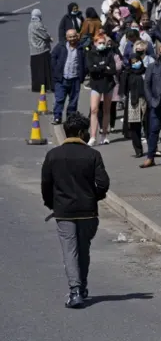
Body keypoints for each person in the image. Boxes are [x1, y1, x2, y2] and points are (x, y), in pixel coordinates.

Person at [41, 112, 110, 308]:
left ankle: (75, 290)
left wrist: (52, 204)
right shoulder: (93, 155)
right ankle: (83, 285)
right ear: (81, 132)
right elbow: (103, 183)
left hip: (64, 212)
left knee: (70, 250)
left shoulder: (53, 155)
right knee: (83, 249)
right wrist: (94, 197)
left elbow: (46, 184)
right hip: (88, 211)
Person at [86, 34, 116, 146]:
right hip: (96, 84)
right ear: (95, 43)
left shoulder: (109, 53)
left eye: (104, 43)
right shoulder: (90, 53)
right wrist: (104, 66)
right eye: (100, 43)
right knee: (94, 109)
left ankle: (104, 135)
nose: (102, 45)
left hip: (108, 84)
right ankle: (93, 136)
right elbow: (91, 69)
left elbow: (112, 69)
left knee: (107, 109)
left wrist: (99, 67)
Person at [51, 29, 86, 125]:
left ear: (77, 37)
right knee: (59, 99)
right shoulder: (61, 46)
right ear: (67, 38)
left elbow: (85, 62)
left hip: (75, 79)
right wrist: (56, 70)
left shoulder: (81, 48)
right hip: (62, 79)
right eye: (70, 37)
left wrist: (82, 75)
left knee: (73, 101)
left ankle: (71, 119)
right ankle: (57, 117)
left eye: (74, 36)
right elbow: (53, 57)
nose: (72, 39)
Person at [120, 50, 149, 158]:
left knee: (148, 124)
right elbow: (124, 89)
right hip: (133, 102)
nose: (136, 63)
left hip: (146, 100)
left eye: (137, 61)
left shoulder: (146, 71)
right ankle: (138, 150)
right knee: (134, 126)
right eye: (133, 62)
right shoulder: (127, 73)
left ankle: (152, 148)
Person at [28, 8, 53, 93]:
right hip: (41, 50)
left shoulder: (30, 24)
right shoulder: (37, 24)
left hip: (33, 50)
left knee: (36, 70)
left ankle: (36, 87)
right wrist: (49, 37)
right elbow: (45, 35)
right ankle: (45, 86)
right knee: (44, 70)